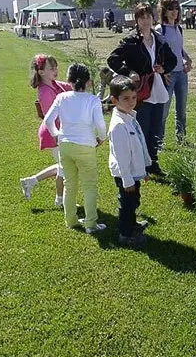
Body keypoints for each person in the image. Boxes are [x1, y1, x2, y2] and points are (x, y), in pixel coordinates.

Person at [107, 3, 177, 177]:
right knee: (142, 128)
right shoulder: (131, 40)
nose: (145, 21)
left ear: (153, 18)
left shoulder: (159, 38)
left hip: (157, 88)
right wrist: (129, 72)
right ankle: (140, 164)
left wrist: (164, 68)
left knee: (156, 128)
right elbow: (113, 59)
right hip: (140, 91)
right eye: (141, 17)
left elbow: (173, 59)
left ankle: (153, 163)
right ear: (136, 20)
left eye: (148, 17)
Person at [43, 63, 107, 234]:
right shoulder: (92, 100)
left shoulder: (61, 97)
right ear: (87, 82)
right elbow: (100, 125)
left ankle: (70, 220)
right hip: (86, 146)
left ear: (69, 80)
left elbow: (48, 121)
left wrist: (57, 135)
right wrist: (101, 138)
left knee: (69, 184)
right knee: (89, 186)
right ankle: (91, 224)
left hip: (65, 145)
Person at [20, 54, 72, 206]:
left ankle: (31, 181)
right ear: (41, 72)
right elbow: (51, 117)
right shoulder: (45, 91)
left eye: (56, 67)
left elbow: (71, 87)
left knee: (64, 166)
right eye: (51, 68)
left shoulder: (55, 84)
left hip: (59, 131)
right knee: (65, 168)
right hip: (53, 133)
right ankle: (60, 200)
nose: (55, 70)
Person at [107, 75, 151, 247]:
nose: (131, 102)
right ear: (114, 99)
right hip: (126, 175)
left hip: (134, 172)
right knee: (127, 204)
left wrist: (144, 169)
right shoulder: (119, 126)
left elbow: (139, 145)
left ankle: (132, 225)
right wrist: (127, 179)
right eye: (125, 99)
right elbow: (122, 156)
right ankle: (125, 234)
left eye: (133, 97)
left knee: (134, 201)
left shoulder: (130, 117)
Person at [154, 0, 193, 145]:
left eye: (177, 8)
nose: (174, 12)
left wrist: (188, 60)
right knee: (164, 110)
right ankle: (159, 142)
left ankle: (181, 139)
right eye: (170, 8)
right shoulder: (159, 29)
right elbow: (158, 52)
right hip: (168, 75)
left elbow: (178, 49)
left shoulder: (178, 28)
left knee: (181, 111)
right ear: (163, 11)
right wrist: (164, 72)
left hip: (181, 74)